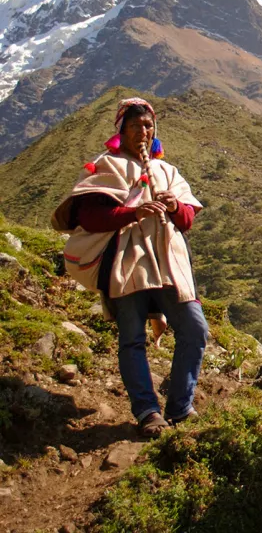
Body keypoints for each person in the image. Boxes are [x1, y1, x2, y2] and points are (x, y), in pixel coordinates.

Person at [52, 97, 207, 437]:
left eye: (148, 126)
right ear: (121, 131)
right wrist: (133, 213)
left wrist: (174, 205)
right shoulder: (107, 165)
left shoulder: (168, 171)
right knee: (132, 337)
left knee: (195, 329)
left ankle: (180, 407)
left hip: (168, 263)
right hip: (126, 263)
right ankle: (148, 411)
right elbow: (90, 216)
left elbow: (188, 219)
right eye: (136, 125)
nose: (143, 131)